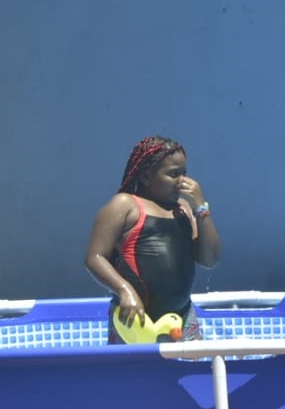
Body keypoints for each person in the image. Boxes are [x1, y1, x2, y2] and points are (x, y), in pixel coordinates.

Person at [84, 135, 221, 342]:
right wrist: (125, 291)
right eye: (173, 174)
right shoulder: (125, 205)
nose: (183, 182)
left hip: (182, 319)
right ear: (146, 177)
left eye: (184, 173)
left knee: (188, 373)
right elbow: (95, 257)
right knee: (134, 374)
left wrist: (201, 207)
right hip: (136, 322)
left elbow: (209, 260)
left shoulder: (183, 209)